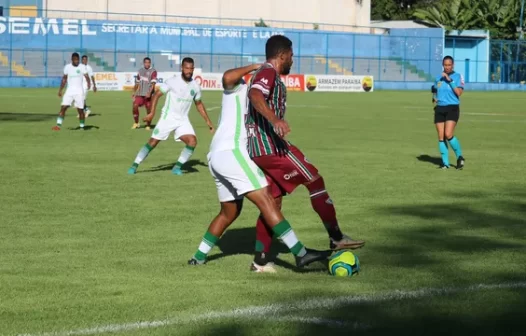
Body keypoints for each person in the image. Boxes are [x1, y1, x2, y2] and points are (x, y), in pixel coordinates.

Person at [188, 64, 331, 269]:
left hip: (217, 157)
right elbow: (227, 76)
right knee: (267, 199)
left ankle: (198, 256)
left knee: (229, 212)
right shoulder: (240, 88)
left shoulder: (261, 96)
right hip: (232, 151)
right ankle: (300, 253)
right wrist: (256, 66)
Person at [246, 35, 365, 272]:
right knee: (314, 179)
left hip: (260, 149)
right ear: (282, 55)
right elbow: (255, 95)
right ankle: (336, 237)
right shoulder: (268, 71)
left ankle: (259, 261)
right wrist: (275, 119)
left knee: (274, 203)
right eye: (291, 55)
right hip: (270, 147)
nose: (293, 59)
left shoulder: (269, 74)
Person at [127, 57, 214, 175]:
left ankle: (177, 167)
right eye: (186, 68)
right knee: (153, 142)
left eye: (191, 68)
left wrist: (208, 121)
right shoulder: (172, 81)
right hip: (168, 117)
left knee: (192, 141)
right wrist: (152, 113)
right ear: (182, 68)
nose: (189, 71)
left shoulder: (195, 86)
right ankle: (135, 165)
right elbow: (157, 95)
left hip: (183, 119)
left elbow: (199, 104)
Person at [432, 55, 465, 169]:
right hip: (440, 108)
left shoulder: (457, 76)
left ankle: (460, 157)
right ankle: (445, 164)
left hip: (452, 107)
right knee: (441, 137)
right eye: (445, 65)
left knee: (448, 134)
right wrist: (434, 97)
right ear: (443, 65)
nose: (447, 67)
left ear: (453, 65)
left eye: (449, 65)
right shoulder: (438, 78)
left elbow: (459, 93)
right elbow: (435, 89)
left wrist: (450, 80)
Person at [53, 52, 90, 131]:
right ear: (72, 59)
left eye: (78, 59)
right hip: (69, 92)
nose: (77, 61)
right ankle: (58, 126)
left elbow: (87, 76)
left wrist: (89, 83)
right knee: (63, 108)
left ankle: (82, 127)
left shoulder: (82, 67)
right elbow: (64, 79)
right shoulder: (67, 67)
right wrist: (60, 90)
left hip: (79, 92)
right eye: (75, 60)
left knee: (80, 110)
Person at [132, 57, 157, 130]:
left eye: (148, 62)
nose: (147, 64)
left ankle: (148, 125)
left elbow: (153, 84)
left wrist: (149, 92)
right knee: (135, 106)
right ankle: (136, 123)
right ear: (143, 63)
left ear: (150, 63)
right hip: (140, 94)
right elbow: (137, 83)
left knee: (148, 109)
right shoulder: (140, 71)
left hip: (149, 94)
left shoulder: (153, 71)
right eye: (146, 62)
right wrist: (133, 92)